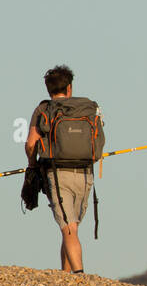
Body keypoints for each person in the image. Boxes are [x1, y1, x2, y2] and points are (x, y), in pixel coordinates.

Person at [24, 65, 102, 273]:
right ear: (69, 88)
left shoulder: (44, 109)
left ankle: (79, 277)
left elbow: (31, 144)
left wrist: (32, 166)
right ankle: (65, 277)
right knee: (70, 228)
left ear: (48, 89)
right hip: (86, 174)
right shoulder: (86, 108)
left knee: (69, 229)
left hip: (58, 175)